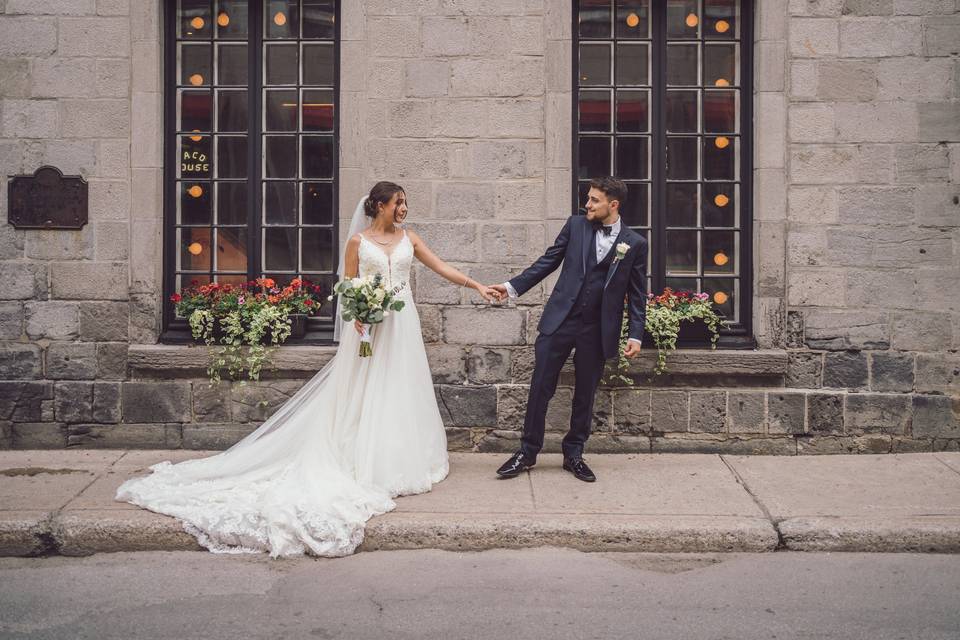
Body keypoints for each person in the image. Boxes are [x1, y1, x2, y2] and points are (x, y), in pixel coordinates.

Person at [116, 181, 500, 558]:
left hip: (403, 324)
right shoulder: (358, 242)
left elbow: (440, 267)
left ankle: (400, 456)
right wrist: (359, 317)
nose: (403, 208)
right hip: (370, 327)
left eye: (405, 203)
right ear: (379, 205)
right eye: (398, 202)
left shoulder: (409, 238)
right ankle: (362, 454)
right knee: (366, 388)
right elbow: (348, 286)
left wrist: (477, 285)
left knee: (401, 387)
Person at [490, 176, 648, 483]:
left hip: (597, 328)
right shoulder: (576, 226)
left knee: (585, 395)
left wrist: (635, 333)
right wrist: (510, 288)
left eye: (594, 200)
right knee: (540, 388)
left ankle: (574, 454)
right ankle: (528, 451)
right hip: (560, 320)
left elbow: (638, 293)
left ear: (612, 205)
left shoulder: (635, 243)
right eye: (587, 198)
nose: (587, 204)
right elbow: (547, 261)